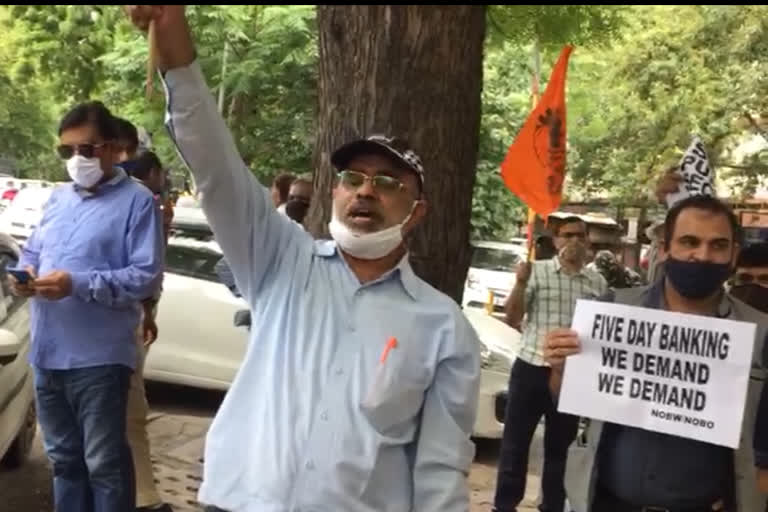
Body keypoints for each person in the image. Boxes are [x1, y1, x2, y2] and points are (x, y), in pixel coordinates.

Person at [126, 6, 481, 512]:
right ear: (335, 192)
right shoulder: (280, 260)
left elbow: (440, 469)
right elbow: (215, 163)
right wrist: (174, 46)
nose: (365, 193)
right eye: (352, 179)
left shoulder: (444, 328)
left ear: (417, 211)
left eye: (386, 184)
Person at [545, 195, 768, 512]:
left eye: (717, 246)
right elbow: (566, 401)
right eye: (689, 242)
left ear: (733, 255)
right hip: (606, 503)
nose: (702, 256)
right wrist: (560, 369)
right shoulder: (612, 310)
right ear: (665, 249)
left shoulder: (760, 333)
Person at [10, 101, 164, 512]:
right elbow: (34, 251)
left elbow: (144, 277)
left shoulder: (138, 202)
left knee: (104, 463)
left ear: (114, 149)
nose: (77, 160)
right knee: (64, 461)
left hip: (99, 358)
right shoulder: (59, 199)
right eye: (67, 151)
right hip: (48, 352)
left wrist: (76, 283)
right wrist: (23, 274)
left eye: (87, 149)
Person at [494, 216, 608, 512]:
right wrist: (520, 283)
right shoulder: (537, 272)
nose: (575, 242)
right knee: (515, 445)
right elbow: (513, 317)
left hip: (570, 376)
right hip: (530, 367)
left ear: (588, 241)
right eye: (568, 235)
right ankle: (504, 505)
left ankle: (552, 506)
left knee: (561, 449)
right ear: (556, 240)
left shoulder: (597, 282)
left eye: (580, 236)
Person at [125, 149, 175, 512]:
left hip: (134, 317)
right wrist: (145, 311)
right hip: (124, 324)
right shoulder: (143, 203)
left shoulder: (147, 204)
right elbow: (145, 272)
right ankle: (144, 498)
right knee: (131, 412)